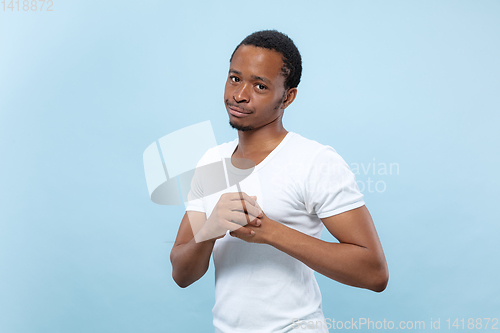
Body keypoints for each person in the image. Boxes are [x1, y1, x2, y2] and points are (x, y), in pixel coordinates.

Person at [170, 30, 388, 333]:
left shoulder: (315, 161)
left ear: (287, 96)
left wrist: (269, 231)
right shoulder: (211, 161)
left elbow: (374, 272)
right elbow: (181, 274)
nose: (240, 94)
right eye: (235, 78)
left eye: (260, 85)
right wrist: (209, 232)